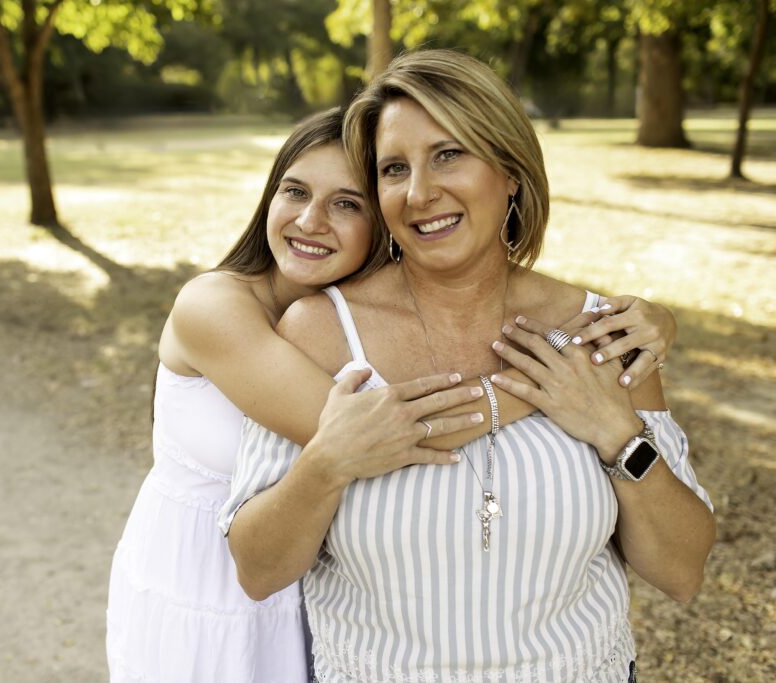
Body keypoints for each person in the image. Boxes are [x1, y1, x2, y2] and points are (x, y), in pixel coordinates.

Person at [221, 50, 715, 683]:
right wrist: (326, 463)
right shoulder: (320, 331)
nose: (421, 192)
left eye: (449, 154)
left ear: (510, 171)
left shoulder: (602, 333)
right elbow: (257, 571)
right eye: (394, 169)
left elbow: (681, 571)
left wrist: (620, 438)